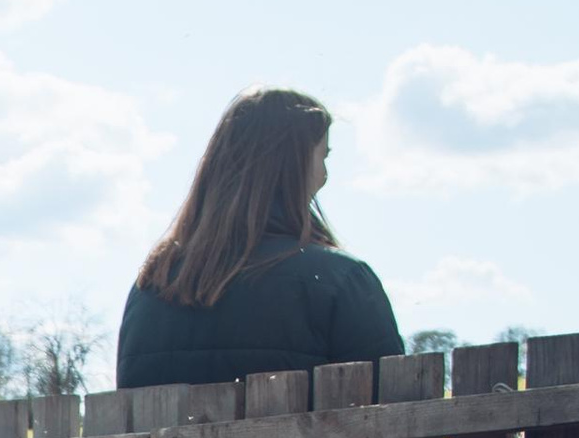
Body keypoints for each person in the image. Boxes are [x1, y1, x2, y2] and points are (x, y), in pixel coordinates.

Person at [117, 89, 402, 389]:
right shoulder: (342, 280)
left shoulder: (151, 287)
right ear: (297, 164)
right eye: (323, 157)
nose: (325, 175)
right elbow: (393, 409)